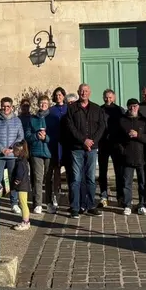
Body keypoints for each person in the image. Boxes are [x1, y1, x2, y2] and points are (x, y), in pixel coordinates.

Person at [62, 83, 107, 219]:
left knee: (91, 179)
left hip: (92, 149)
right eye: (81, 91)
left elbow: (101, 126)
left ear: (90, 93)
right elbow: (70, 127)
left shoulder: (96, 108)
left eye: (86, 91)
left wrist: (92, 141)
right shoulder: (71, 108)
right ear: (78, 92)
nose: (84, 93)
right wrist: (83, 141)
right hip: (77, 149)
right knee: (76, 179)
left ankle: (90, 205)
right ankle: (75, 208)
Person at [0, 96, 24, 210]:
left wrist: (11, 148)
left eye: (8, 106)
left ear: (12, 107)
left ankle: (14, 203)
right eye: (3, 106)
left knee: (13, 179)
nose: (5, 108)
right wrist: (1, 149)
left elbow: (20, 136)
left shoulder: (17, 120)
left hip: (12, 156)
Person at [118, 99, 146, 215]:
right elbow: (118, 139)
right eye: (130, 106)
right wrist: (123, 150)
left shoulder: (144, 121)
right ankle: (127, 205)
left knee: (143, 182)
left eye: (135, 106)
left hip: (142, 156)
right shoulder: (122, 121)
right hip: (127, 156)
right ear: (127, 107)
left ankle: (142, 204)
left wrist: (138, 135)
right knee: (127, 182)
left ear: (138, 107)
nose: (133, 108)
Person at [98, 88, 125, 208]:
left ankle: (120, 196)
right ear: (103, 98)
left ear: (114, 98)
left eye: (110, 97)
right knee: (102, 172)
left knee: (119, 172)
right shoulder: (99, 110)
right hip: (103, 144)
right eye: (106, 97)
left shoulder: (119, 110)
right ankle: (104, 196)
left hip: (116, 144)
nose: (108, 99)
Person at [26, 95, 51, 214]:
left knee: (48, 178)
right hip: (36, 151)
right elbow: (27, 135)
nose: (43, 105)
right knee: (38, 178)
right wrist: (36, 136)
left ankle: (49, 203)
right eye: (41, 103)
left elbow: (56, 135)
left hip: (49, 151)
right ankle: (38, 204)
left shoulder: (52, 118)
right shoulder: (32, 119)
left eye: (45, 103)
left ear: (49, 104)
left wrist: (46, 138)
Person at [44, 88, 68, 213]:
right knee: (55, 171)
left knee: (70, 171)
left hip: (66, 144)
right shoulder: (50, 110)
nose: (58, 97)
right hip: (53, 144)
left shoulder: (69, 109)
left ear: (64, 96)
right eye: (56, 95)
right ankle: (55, 195)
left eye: (60, 94)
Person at [10, 141, 31, 231]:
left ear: (18, 151)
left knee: (23, 204)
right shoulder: (23, 160)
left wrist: (16, 182)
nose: (13, 152)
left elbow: (19, 174)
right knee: (23, 203)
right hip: (24, 185)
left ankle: (25, 222)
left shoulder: (20, 162)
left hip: (22, 186)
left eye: (14, 151)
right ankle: (26, 221)